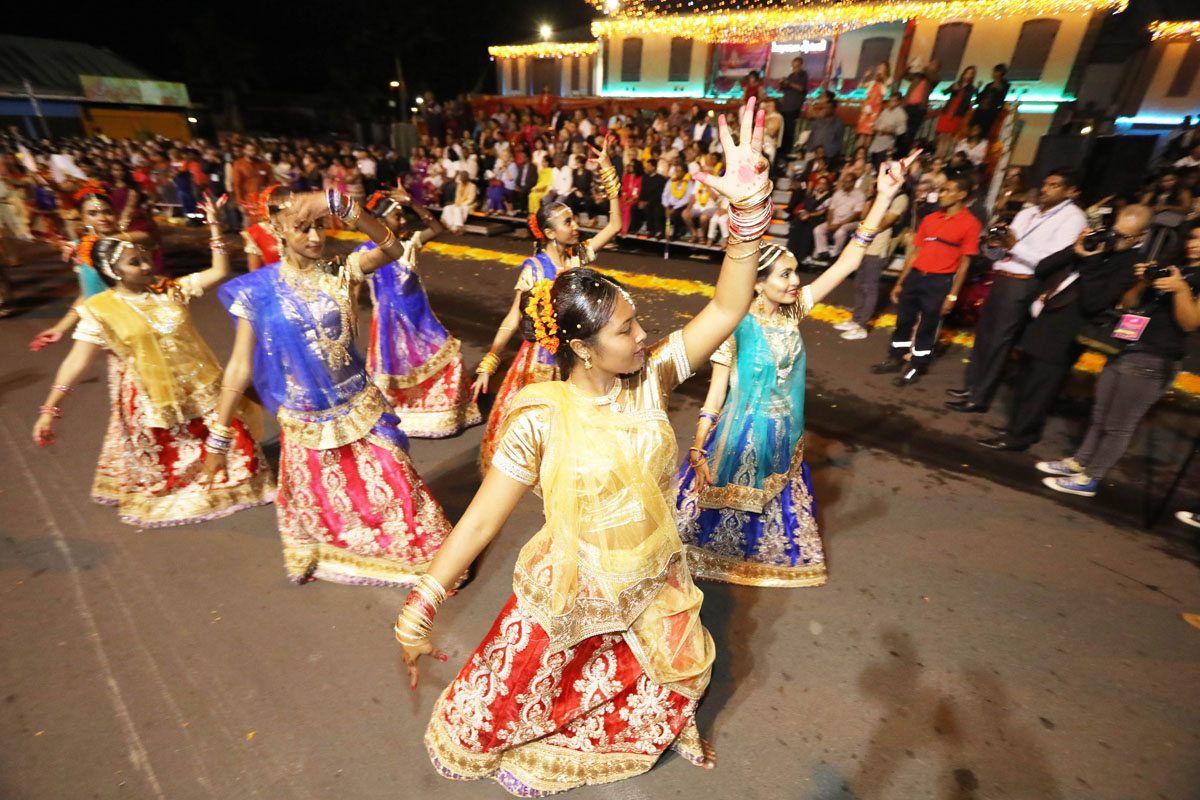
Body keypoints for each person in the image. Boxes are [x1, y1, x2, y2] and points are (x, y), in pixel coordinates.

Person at [399, 100, 809, 794]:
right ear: (583, 347)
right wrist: (422, 603)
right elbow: (480, 521)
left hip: (653, 565)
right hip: (578, 576)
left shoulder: (650, 379)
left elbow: (727, 307)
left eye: (637, 320)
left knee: (682, 664)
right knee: (536, 689)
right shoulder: (539, 417)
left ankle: (656, 721)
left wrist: (748, 220)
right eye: (625, 329)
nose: (641, 335)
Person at [676, 162, 912, 587]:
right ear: (758, 282)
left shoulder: (793, 310)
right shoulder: (736, 325)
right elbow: (715, 393)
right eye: (785, 274)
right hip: (743, 435)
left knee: (775, 506)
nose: (795, 281)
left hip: (787, 431)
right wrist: (697, 446)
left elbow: (847, 261)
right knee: (720, 517)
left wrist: (884, 197)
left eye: (795, 272)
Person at [207, 188, 453, 586]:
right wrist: (219, 436)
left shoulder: (343, 270)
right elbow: (239, 366)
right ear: (277, 230)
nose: (315, 237)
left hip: (360, 404)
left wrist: (345, 207)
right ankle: (340, 554)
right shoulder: (256, 292)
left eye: (319, 226)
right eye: (301, 228)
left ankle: (422, 558)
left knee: (395, 485)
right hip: (305, 416)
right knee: (327, 501)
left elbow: (391, 248)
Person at [32, 197, 276, 527]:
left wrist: (215, 225)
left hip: (201, 383)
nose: (146, 267)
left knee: (230, 441)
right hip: (151, 395)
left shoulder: (168, 290)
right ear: (112, 271)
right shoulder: (100, 311)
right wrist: (50, 410)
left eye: (145, 259)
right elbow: (75, 363)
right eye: (135, 263)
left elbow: (218, 271)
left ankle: (231, 484)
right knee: (169, 456)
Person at [473, 137, 623, 472]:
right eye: (567, 222)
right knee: (542, 426)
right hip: (542, 358)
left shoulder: (579, 257)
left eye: (573, 219)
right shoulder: (534, 269)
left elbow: (615, 225)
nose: (575, 226)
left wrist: (609, 173)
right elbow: (515, 314)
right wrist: (490, 360)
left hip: (580, 354)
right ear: (550, 233)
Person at [1041, 222, 1200, 497]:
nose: (1194, 243)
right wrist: (1143, 281)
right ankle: (1080, 462)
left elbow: (1189, 324)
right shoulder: (1177, 266)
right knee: (1100, 414)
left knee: (1119, 424)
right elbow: (1128, 304)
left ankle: (1091, 477)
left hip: (1156, 357)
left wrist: (1181, 289)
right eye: (1193, 237)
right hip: (1127, 346)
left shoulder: (1188, 279)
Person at [978, 206, 1150, 452]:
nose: (1115, 239)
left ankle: (1019, 437)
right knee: (1026, 377)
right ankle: (1018, 427)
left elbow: (1094, 301)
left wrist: (1091, 261)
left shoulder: (1132, 264)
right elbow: (1043, 267)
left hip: (1069, 330)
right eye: (1115, 232)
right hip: (1045, 317)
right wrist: (1076, 248)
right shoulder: (1102, 245)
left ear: (1141, 237)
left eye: (1125, 237)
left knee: (1042, 385)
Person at [948, 170, 1088, 413]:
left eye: (1054, 185)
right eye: (1045, 183)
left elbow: (1050, 262)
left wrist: (1016, 246)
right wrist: (994, 244)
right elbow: (1002, 250)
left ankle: (980, 397)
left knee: (999, 341)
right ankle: (971, 386)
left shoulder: (1073, 218)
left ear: (1070, 192)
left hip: (1025, 282)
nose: (1045, 189)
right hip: (1002, 276)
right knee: (984, 336)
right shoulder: (1027, 212)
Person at [360, 189, 482, 439]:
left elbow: (436, 228)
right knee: (395, 374)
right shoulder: (364, 252)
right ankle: (401, 414)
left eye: (403, 215)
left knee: (451, 359)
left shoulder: (409, 243)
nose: (403, 220)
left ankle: (443, 412)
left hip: (420, 318)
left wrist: (414, 202)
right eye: (397, 216)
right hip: (390, 323)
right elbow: (353, 285)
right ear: (381, 222)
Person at [871, 175, 980, 384]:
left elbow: (965, 263)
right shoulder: (930, 219)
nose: (941, 194)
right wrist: (900, 282)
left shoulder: (970, 224)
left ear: (962, 195)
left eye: (947, 190)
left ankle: (916, 366)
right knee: (903, 320)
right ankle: (895, 358)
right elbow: (914, 253)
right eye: (941, 190)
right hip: (915, 277)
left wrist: (953, 296)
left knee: (927, 326)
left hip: (939, 282)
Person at [29, 188, 154, 351]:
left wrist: (90, 244)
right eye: (93, 213)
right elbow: (87, 294)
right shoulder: (83, 249)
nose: (102, 218)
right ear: (83, 218)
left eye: (107, 212)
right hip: (106, 321)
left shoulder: (126, 244)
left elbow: (145, 237)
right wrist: (60, 327)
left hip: (139, 319)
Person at [839, 179, 910, 340]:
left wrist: (867, 228)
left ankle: (862, 325)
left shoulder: (900, 198)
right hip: (864, 245)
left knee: (869, 286)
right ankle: (856, 318)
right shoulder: (878, 198)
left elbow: (885, 222)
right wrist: (871, 198)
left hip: (877, 246)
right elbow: (864, 216)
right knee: (858, 283)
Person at [811, 170, 864, 264]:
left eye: (847, 182)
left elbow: (856, 213)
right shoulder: (838, 193)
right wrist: (829, 223)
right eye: (844, 181)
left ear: (853, 183)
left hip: (850, 222)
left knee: (840, 232)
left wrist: (838, 225)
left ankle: (835, 255)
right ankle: (823, 253)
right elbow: (831, 210)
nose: (844, 184)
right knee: (818, 230)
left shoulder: (859, 195)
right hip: (835, 219)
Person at [788, 174, 833, 264]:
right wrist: (803, 214)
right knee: (796, 226)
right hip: (806, 215)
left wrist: (810, 215)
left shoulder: (829, 197)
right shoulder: (814, 194)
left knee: (808, 230)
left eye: (824, 184)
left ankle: (802, 257)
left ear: (828, 186)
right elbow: (805, 206)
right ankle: (791, 254)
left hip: (817, 218)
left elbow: (823, 211)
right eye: (820, 183)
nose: (821, 185)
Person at [899, 59, 940, 154]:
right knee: (902, 129)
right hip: (907, 106)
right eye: (931, 63)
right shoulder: (919, 76)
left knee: (911, 131)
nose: (930, 65)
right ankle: (898, 151)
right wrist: (909, 66)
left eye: (933, 65)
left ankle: (905, 153)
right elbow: (903, 76)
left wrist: (924, 68)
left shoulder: (934, 78)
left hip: (919, 108)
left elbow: (932, 78)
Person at [935, 67, 977, 158]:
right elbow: (945, 92)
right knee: (942, 135)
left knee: (948, 137)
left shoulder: (970, 89)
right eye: (967, 73)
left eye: (971, 73)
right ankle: (938, 156)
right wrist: (953, 89)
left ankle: (942, 157)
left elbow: (967, 103)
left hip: (957, 113)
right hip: (948, 110)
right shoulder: (957, 84)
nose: (968, 75)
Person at [231, 142, 274, 227]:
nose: (252, 152)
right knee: (250, 227)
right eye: (250, 150)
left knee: (265, 227)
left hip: (263, 201)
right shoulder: (239, 164)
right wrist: (240, 203)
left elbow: (272, 182)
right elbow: (237, 185)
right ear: (244, 151)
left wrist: (273, 197)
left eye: (254, 150)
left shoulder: (264, 165)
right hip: (248, 201)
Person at [779, 57, 810, 163]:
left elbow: (801, 88)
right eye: (793, 66)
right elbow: (783, 89)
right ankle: (781, 151)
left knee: (789, 130)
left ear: (800, 65)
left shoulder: (803, 75)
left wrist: (789, 84)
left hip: (794, 107)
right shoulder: (791, 76)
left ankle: (787, 152)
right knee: (783, 130)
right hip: (785, 106)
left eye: (796, 66)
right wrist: (783, 83)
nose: (794, 68)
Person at [857, 62, 891, 151]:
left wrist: (881, 76)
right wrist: (865, 76)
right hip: (867, 107)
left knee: (869, 132)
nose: (880, 68)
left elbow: (885, 89)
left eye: (882, 67)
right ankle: (859, 151)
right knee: (862, 132)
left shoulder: (887, 80)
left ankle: (865, 152)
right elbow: (861, 85)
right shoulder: (873, 81)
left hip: (875, 109)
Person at [970, 64, 1011, 137]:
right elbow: (979, 98)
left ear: (1001, 73)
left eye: (996, 72)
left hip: (990, 112)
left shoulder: (1005, 85)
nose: (994, 73)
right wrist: (977, 89)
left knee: (983, 131)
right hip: (980, 110)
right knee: (974, 128)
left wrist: (997, 88)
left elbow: (1000, 99)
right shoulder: (989, 85)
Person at [805, 96, 845, 160]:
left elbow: (839, 142)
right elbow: (811, 136)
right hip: (813, 153)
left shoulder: (838, 124)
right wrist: (808, 149)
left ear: (834, 109)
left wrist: (834, 154)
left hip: (828, 155)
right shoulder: (818, 121)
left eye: (829, 107)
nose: (826, 109)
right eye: (825, 107)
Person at [663, 163, 696, 240]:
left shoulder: (689, 183)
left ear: (684, 172)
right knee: (658, 210)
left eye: (679, 171)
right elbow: (665, 194)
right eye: (676, 171)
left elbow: (687, 199)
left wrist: (674, 208)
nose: (677, 173)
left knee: (677, 214)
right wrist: (666, 206)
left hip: (681, 205)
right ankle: (662, 232)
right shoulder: (671, 181)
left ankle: (675, 234)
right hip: (669, 205)